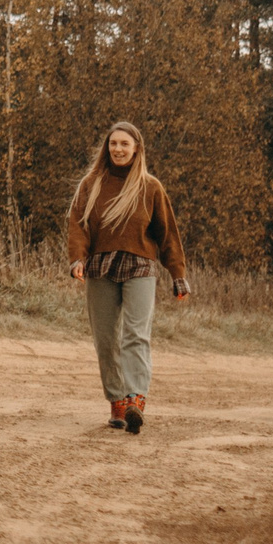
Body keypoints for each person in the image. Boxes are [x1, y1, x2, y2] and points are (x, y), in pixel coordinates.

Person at [65, 121, 190, 434]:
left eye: (125, 144)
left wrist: (178, 274)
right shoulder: (91, 183)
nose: (118, 149)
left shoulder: (150, 187)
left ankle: (136, 398)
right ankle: (117, 401)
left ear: (137, 149)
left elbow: (168, 234)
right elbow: (78, 224)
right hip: (100, 268)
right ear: (108, 148)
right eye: (113, 144)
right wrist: (77, 259)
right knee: (106, 339)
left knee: (135, 333)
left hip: (140, 267)